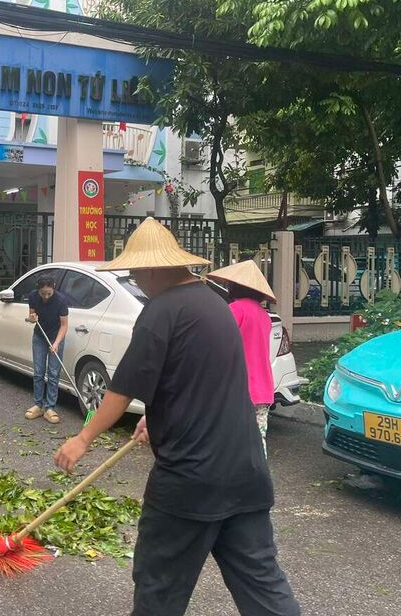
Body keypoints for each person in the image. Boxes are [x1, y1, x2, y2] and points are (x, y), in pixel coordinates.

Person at [54, 218, 299, 616]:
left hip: (190, 483)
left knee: (159, 591)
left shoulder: (161, 311)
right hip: (246, 474)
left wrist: (82, 440)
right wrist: (159, 416)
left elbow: (122, 389)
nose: (135, 279)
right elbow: (202, 381)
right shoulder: (217, 306)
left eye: (135, 271)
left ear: (152, 269)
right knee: (264, 590)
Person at [209, 260, 277, 457]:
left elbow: (220, 346)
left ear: (234, 287)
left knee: (228, 442)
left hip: (237, 389)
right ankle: (257, 479)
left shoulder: (234, 310)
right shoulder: (264, 315)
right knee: (257, 441)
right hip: (263, 390)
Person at [24, 275, 68, 424]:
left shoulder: (61, 300)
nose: (46, 297)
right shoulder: (33, 296)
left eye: (49, 293)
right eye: (43, 294)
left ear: (53, 287)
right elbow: (30, 317)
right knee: (38, 372)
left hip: (56, 337)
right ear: (38, 290)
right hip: (39, 336)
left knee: (54, 373)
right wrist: (32, 318)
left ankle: (50, 408)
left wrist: (56, 343)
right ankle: (38, 405)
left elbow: (64, 325)